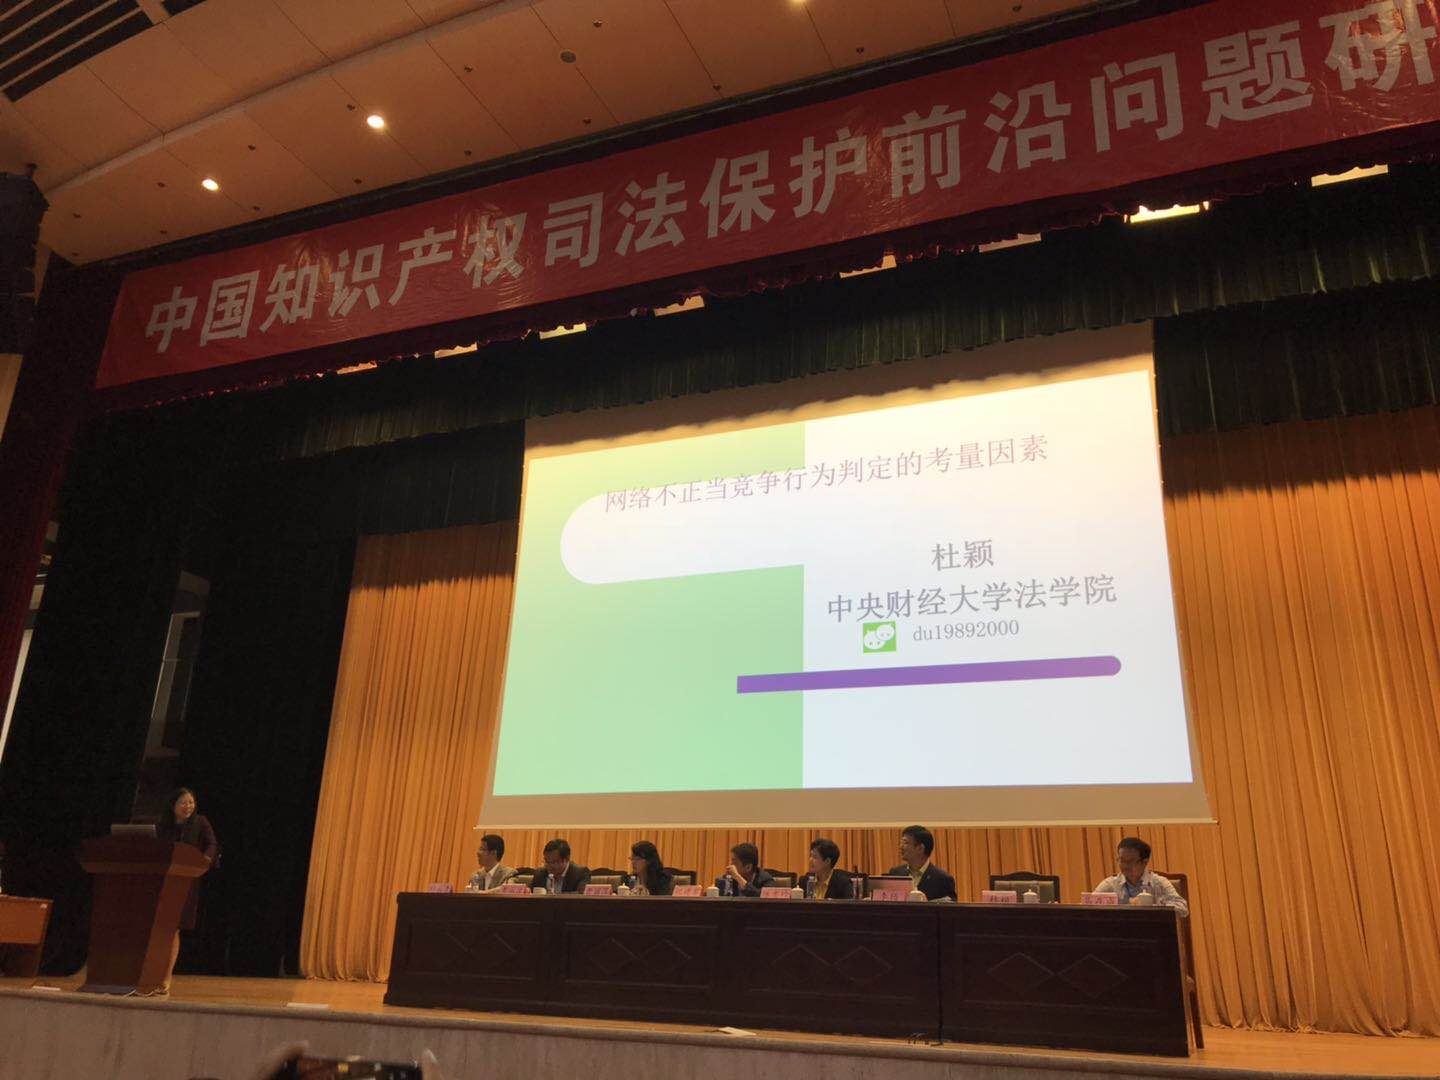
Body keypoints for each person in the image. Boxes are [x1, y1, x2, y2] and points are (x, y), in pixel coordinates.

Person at [155, 787, 218, 993]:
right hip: (162, 881)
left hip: (186, 882)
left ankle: (166, 977)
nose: (188, 806)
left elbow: (212, 844)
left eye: (191, 802)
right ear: (173, 805)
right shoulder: (162, 826)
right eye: (183, 802)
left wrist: (205, 860)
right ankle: (149, 974)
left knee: (174, 928)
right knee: (158, 928)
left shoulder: (200, 822)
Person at [1092, 836, 1188, 915]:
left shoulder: (1159, 882)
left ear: (1144, 862)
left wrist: (1152, 908)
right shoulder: (1110, 884)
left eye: (1130, 861)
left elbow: (1182, 907)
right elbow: (1089, 906)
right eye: (1122, 860)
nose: (1125, 865)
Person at [886, 824, 956, 901]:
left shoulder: (942, 879)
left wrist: (926, 904)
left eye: (905, 843)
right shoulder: (895, 874)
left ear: (920, 848)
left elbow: (951, 905)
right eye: (901, 843)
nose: (901, 847)